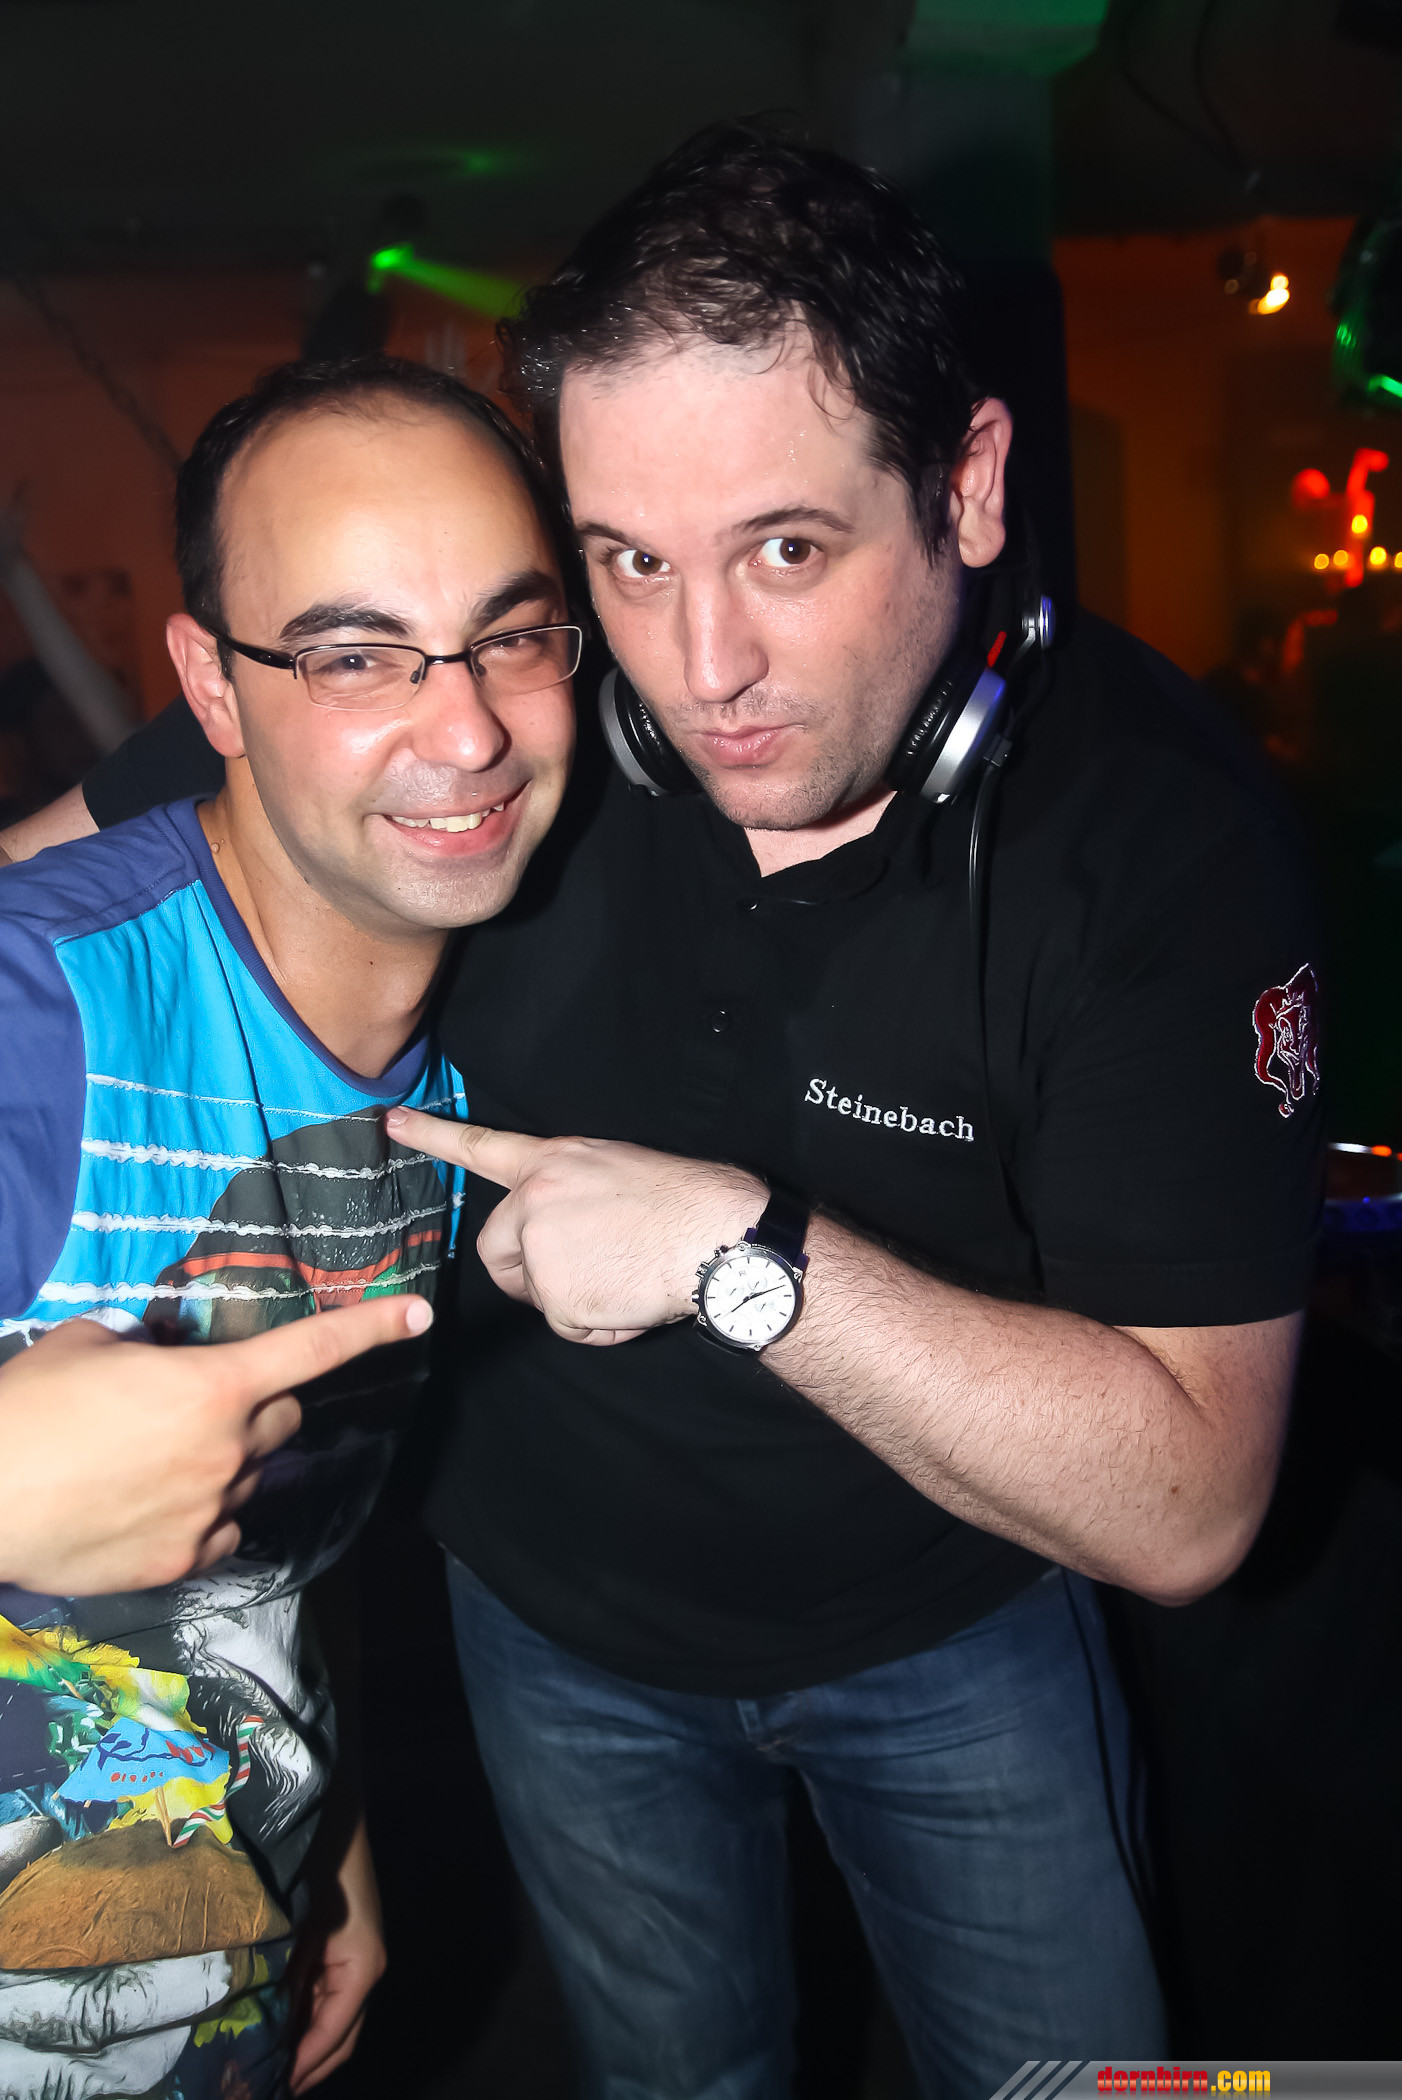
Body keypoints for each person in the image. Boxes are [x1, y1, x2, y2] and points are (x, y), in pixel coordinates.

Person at [22, 128, 1321, 2098]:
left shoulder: (1157, 847)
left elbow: (1191, 1507)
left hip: (947, 1620)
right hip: (552, 1627)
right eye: (627, 562)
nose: (701, 669)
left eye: (785, 550)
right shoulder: (489, 722)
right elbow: (63, 888)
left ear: (968, 482)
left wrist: (738, 1256)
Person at [0, 356, 578, 2097]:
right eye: (352, 656)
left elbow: (270, 1535)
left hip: (223, 1990)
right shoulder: (41, 1015)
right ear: (212, 688)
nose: (465, 733)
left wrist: (329, 1836)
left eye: (509, 636)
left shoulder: (450, 1081)